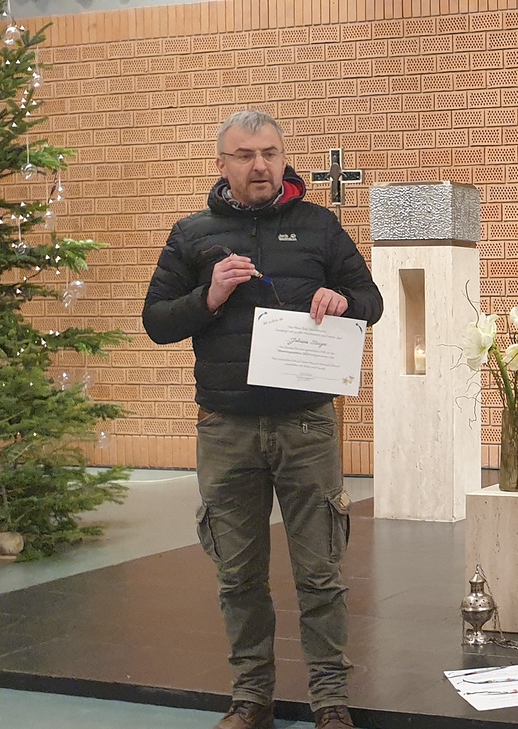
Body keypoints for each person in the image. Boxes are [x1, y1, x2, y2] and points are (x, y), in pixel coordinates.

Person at [142, 109, 382, 729]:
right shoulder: (192, 234)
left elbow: (372, 300)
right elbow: (157, 322)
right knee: (239, 574)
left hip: (306, 425)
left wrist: (343, 300)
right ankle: (251, 699)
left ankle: (330, 701)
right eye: (245, 155)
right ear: (222, 164)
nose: (260, 166)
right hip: (226, 428)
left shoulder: (319, 225)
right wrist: (209, 295)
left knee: (321, 573)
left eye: (270, 153)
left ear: (283, 157)